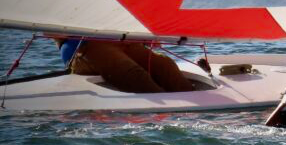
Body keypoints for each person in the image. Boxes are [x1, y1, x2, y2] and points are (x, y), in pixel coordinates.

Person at [56, 38, 195, 93]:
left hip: (124, 40)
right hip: (87, 46)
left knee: (165, 65)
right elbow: (53, 32)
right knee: (134, 75)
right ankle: (173, 113)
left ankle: (195, 105)